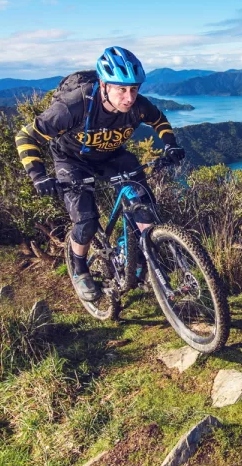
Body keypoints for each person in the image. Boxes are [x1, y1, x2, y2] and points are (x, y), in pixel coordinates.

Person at [15, 46, 186, 302]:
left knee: (144, 208)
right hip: (72, 161)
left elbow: (158, 119)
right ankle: (80, 269)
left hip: (112, 156)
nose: (129, 98)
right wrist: (38, 176)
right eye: (121, 89)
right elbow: (25, 136)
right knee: (86, 220)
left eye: (134, 89)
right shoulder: (75, 106)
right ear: (104, 85)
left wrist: (170, 144)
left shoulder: (138, 106)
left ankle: (138, 256)